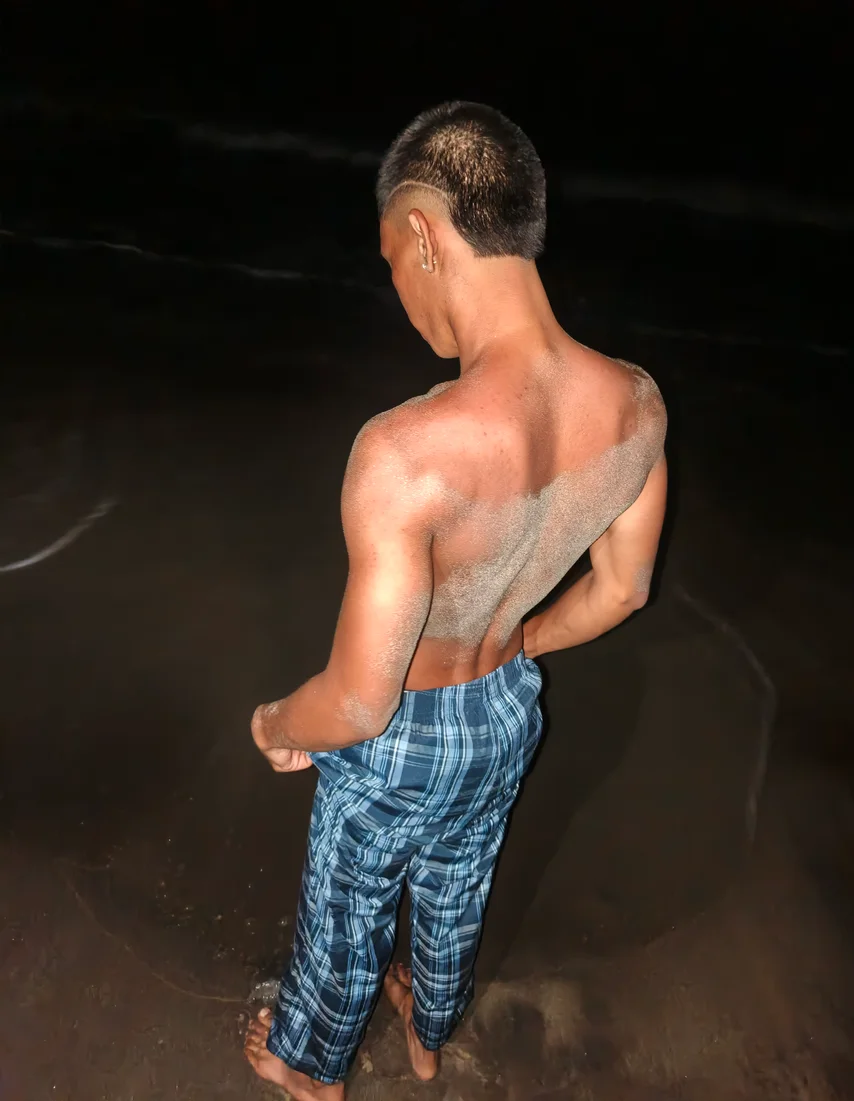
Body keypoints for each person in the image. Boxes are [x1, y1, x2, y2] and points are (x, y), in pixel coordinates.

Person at [244, 101, 667, 1098]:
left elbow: (359, 703)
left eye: (391, 258)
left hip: (400, 736)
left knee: (348, 906)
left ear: (424, 235)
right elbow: (622, 589)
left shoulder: (405, 453)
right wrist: (519, 641)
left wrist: (274, 722)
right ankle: (429, 1035)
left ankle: (310, 1068)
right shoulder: (636, 404)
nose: (396, 285)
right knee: (457, 883)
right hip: (508, 712)